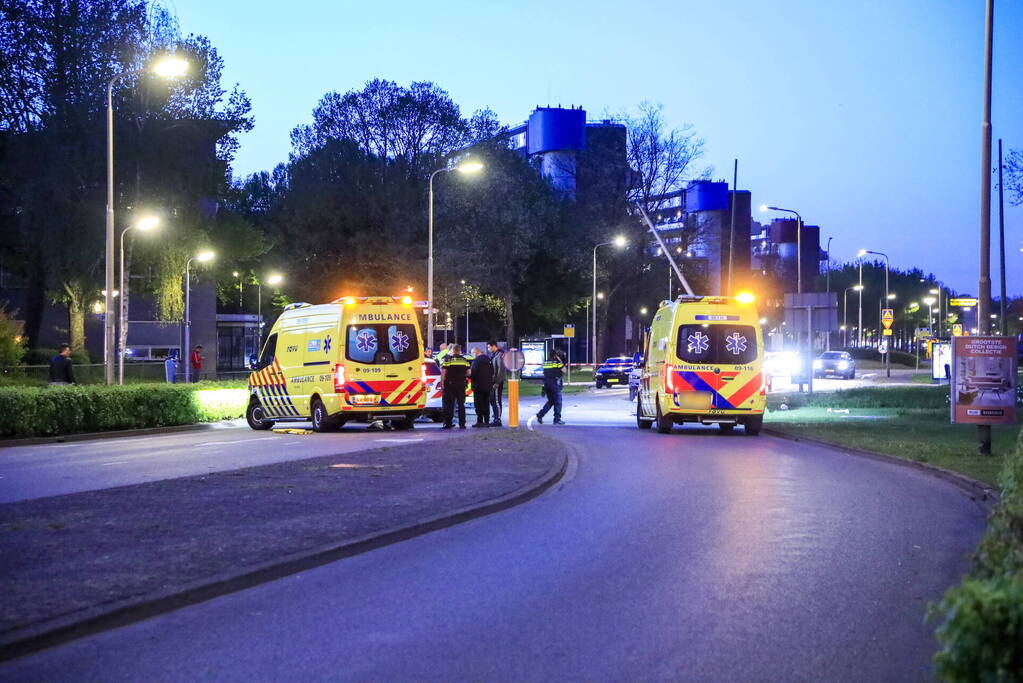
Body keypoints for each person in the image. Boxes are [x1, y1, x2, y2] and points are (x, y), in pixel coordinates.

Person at [440, 344, 470, 429]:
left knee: (449, 404)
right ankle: (462, 424)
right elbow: (469, 373)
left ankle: (448, 423)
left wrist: (442, 383)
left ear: (453, 350)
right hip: (461, 385)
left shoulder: (447, 359)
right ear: (459, 350)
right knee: (461, 404)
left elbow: (443, 373)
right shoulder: (464, 360)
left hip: (450, 385)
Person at [535, 350, 566, 425]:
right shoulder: (556, 362)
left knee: (551, 401)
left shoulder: (546, 362)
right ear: (556, 355)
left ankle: (540, 414)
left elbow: (546, 373)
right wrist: (559, 360)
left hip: (546, 384)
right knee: (558, 402)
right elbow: (564, 370)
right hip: (554, 384)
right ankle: (557, 419)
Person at [469, 347, 495, 427]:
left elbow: (473, 374)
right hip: (487, 386)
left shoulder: (476, 361)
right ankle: (486, 421)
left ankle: (479, 421)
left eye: (472, 353)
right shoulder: (488, 360)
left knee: (478, 404)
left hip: (478, 386)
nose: (472, 355)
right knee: (486, 404)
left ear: (475, 353)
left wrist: (468, 375)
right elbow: (492, 371)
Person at [488, 341, 506, 426]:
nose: (488, 349)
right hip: (494, 381)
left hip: (497, 382)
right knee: (494, 400)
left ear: (493, 346)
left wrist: (497, 382)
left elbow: (501, 370)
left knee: (497, 400)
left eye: (489, 347)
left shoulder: (499, 355)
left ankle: (498, 419)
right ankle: (496, 417)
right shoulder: (495, 355)